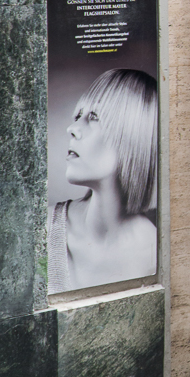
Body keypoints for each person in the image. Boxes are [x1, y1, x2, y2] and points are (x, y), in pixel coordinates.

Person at [48, 68, 158, 294]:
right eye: (78, 116)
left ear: (133, 135)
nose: (72, 128)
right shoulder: (43, 228)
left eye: (94, 117)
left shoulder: (158, 252)